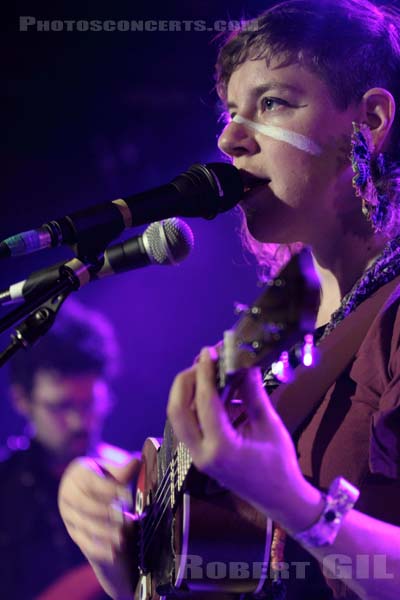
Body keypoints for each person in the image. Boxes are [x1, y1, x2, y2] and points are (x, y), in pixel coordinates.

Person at [58, 1, 400, 599]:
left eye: (272, 103)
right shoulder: (279, 317)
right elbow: (215, 547)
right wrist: (100, 495)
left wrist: (292, 501)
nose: (229, 139)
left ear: (368, 119)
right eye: (230, 113)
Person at [0, 298, 138, 600]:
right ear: (21, 399)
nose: (79, 422)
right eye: (61, 406)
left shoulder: (134, 475)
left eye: (88, 403)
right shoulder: (4, 487)